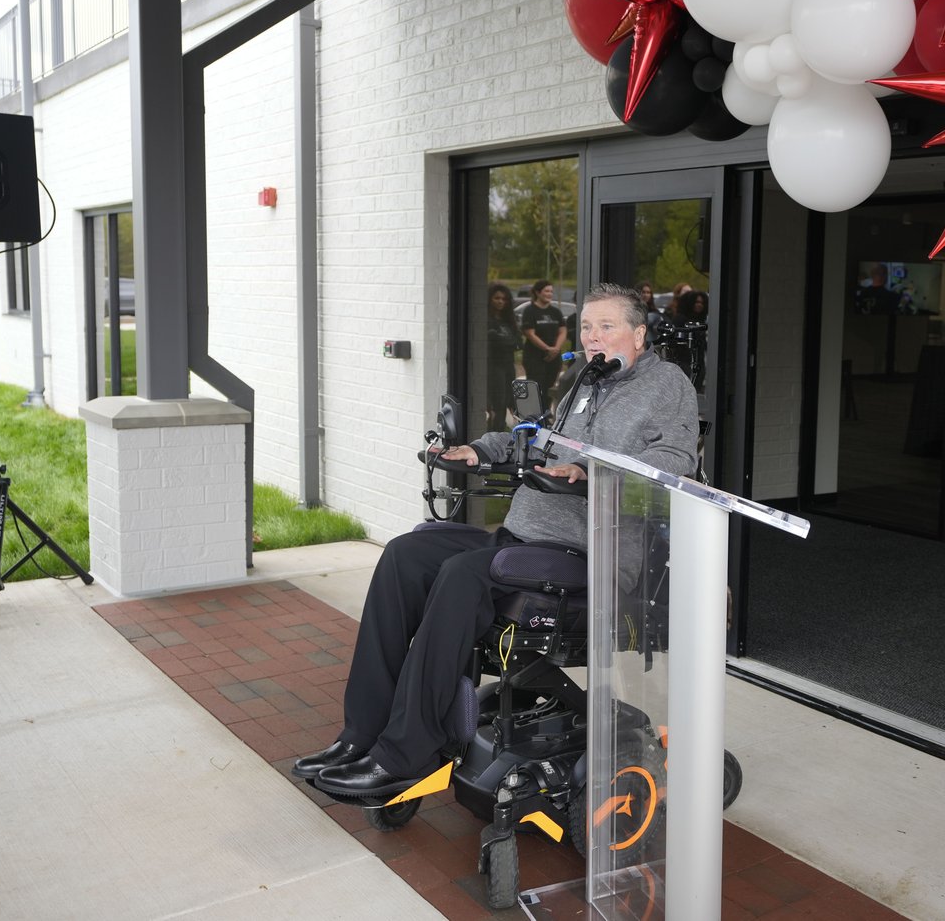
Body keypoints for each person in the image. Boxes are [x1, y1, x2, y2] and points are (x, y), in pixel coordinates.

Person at [294, 284, 700, 797]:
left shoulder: (666, 385)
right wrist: (479, 451)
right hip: (523, 538)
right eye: (587, 327)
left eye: (607, 327)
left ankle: (404, 755)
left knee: (462, 575)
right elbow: (537, 438)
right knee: (405, 554)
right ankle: (361, 734)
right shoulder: (584, 384)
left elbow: (676, 464)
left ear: (639, 334)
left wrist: (587, 469)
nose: (593, 337)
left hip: (586, 553)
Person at [520, 279, 567, 410]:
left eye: (551, 291)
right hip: (535, 357)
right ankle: (534, 416)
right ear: (537, 292)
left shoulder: (555, 312)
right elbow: (530, 333)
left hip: (554, 358)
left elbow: (563, 331)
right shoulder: (530, 311)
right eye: (546, 291)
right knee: (536, 388)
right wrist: (547, 349)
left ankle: (546, 414)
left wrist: (556, 349)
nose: (550, 294)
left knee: (549, 388)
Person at [485, 283, 520, 432]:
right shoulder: (486, 320)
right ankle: (494, 432)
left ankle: (500, 431)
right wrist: (505, 341)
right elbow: (491, 342)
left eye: (504, 299)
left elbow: (518, 342)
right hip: (493, 365)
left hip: (508, 365)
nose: (500, 302)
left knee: (508, 400)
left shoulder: (508, 321)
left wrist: (502, 340)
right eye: (497, 298)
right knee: (497, 402)